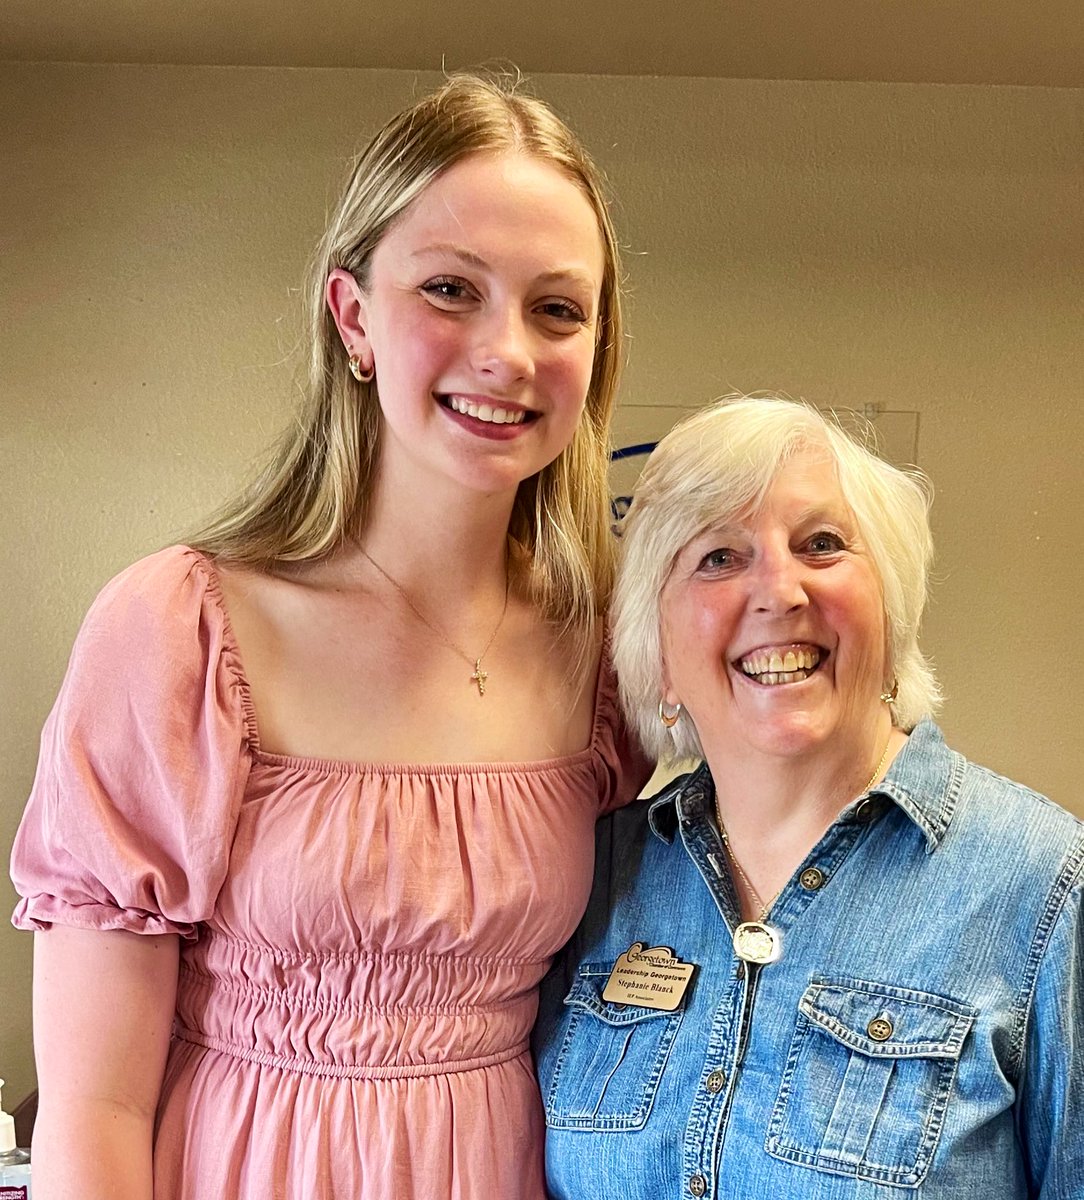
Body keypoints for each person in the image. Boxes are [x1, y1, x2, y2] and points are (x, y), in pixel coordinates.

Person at [10, 74, 648, 1200]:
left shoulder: (603, 647)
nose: (506, 350)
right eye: (450, 289)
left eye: (557, 308)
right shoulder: (183, 631)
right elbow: (95, 1107)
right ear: (353, 317)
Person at [535, 397, 1083, 1198]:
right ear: (658, 648)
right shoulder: (592, 874)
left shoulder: (1044, 887)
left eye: (821, 545)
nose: (779, 592)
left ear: (892, 610)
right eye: (719, 557)